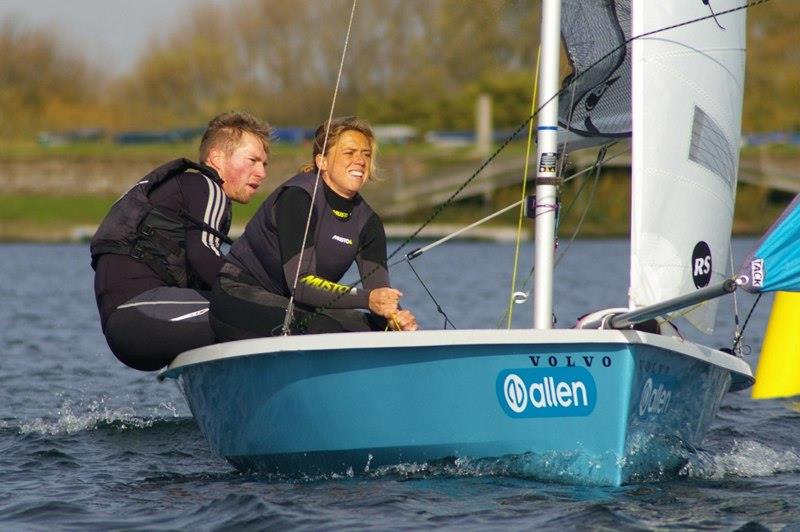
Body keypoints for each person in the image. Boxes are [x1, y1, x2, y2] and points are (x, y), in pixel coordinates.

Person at [91, 111, 272, 370]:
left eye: (265, 164)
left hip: (127, 325)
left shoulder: (183, 190)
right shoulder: (208, 186)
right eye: (253, 160)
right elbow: (204, 256)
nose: (262, 172)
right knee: (271, 316)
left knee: (243, 309)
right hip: (142, 314)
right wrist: (264, 294)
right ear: (216, 158)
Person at [210, 116, 417, 339]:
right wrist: (367, 299)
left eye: (366, 154)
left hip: (296, 306)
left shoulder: (369, 223)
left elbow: (379, 295)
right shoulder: (298, 198)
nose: (360, 160)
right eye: (350, 153)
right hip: (239, 294)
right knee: (316, 328)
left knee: (380, 331)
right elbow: (301, 284)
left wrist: (393, 318)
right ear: (322, 162)